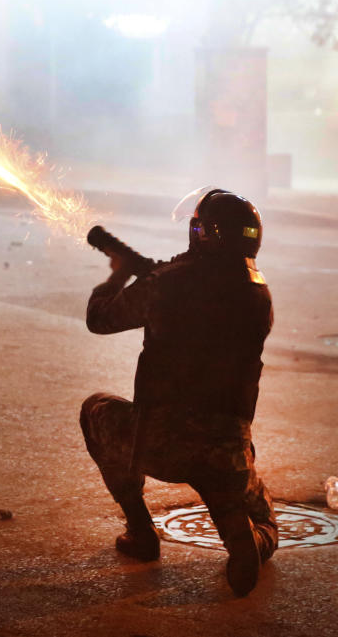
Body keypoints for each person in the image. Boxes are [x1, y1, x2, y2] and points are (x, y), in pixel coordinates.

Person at [80, 187, 278, 597]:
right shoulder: (259, 295)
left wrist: (119, 273)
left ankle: (140, 531)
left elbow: (99, 319)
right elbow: (210, 306)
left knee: (95, 410)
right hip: (228, 456)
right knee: (265, 521)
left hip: (161, 444)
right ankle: (250, 539)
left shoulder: (164, 285)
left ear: (200, 232)